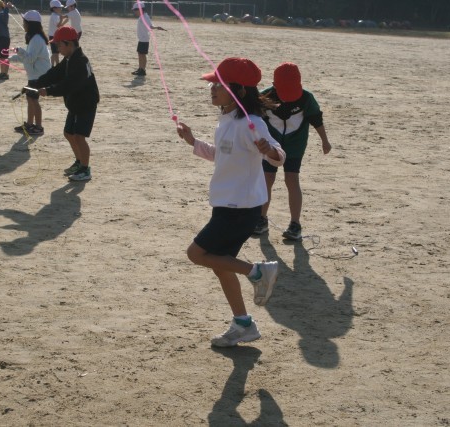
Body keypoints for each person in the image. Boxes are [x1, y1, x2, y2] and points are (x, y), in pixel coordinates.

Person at [175, 57, 286, 347]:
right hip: (227, 205)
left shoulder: (252, 123)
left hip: (241, 209)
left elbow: (279, 156)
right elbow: (221, 155)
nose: (212, 89)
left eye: (218, 85)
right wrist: (193, 142)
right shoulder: (226, 120)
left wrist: (269, 150)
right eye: (212, 84)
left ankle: (258, 271)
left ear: (238, 91)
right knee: (222, 265)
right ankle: (243, 324)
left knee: (196, 254)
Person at [254, 62, 332, 240]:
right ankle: (261, 219)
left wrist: (325, 141)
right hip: (271, 145)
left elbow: (316, 119)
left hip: (295, 144)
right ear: (274, 85)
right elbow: (252, 118)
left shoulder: (306, 98)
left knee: (292, 178)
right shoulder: (264, 97)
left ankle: (295, 224)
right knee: (267, 178)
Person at [30, 26, 100, 182]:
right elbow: (55, 73)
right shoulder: (69, 59)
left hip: (86, 104)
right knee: (68, 133)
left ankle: (85, 169)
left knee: (79, 137)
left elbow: (69, 85)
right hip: (75, 103)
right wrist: (36, 83)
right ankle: (79, 162)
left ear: (69, 43)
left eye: (59, 45)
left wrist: (49, 91)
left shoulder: (80, 61)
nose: (57, 48)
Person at [9, 10, 51, 136]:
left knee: (33, 99)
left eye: (25, 22)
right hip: (35, 74)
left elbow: (30, 58)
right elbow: (27, 57)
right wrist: (9, 58)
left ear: (30, 24)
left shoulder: (37, 39)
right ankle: (29, 124)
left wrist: (19, 50)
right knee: (30, 98)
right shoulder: (34, 38)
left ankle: (38, 127)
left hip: (39, 75)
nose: (23, 24)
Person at [131, 2, 165, 77]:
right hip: (141, 39)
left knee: (142, 54)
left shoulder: (145, 17)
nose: (134, 12)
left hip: (144, 39)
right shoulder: (142, 16)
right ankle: (140, 68)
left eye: (135, 10)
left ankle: (143, 70)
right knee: (140, 53)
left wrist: (156, 27)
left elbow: (150, 26)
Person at [48, 0, 68, 67]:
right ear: (54, 8)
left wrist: (64, 19)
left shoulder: (56, 15)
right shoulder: (54, 16)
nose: (61, 9)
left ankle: (52, 65)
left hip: (55, 35)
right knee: (55, 53)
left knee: (55, 52)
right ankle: (56, 65)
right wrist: (63, 20)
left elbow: (60, 25)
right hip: (53, 36)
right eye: (59, 7)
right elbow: (59, 26)